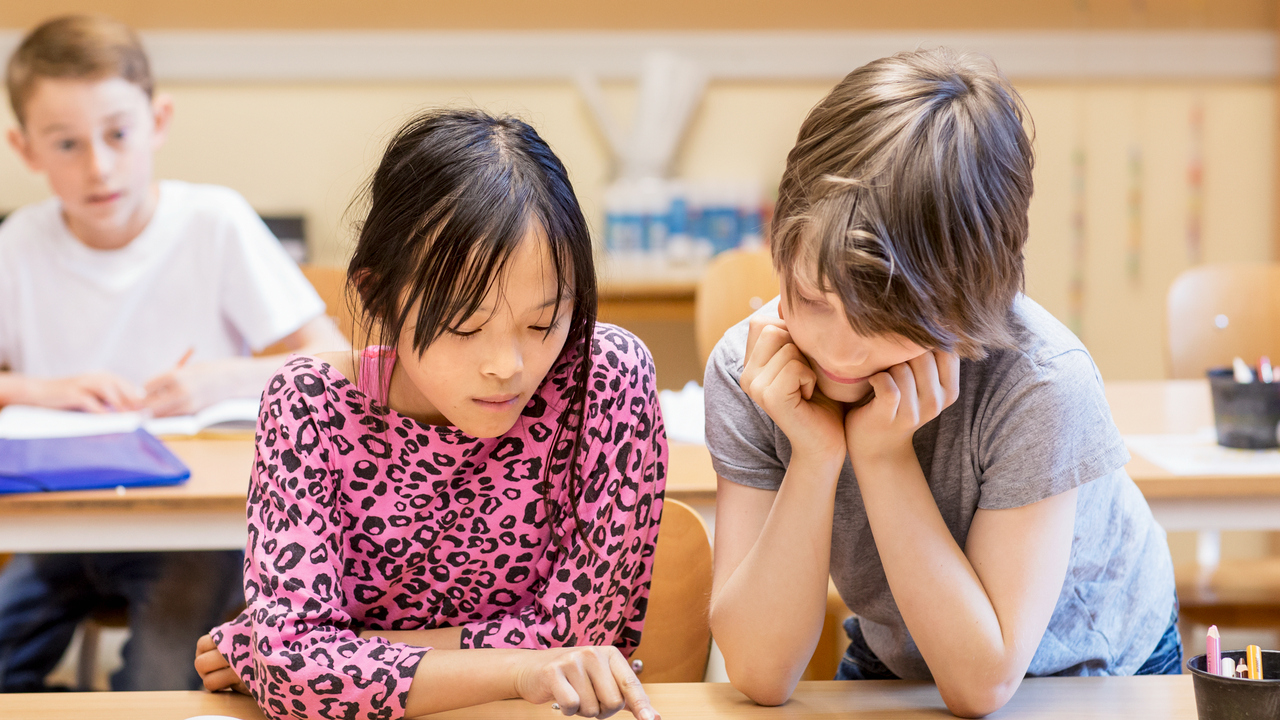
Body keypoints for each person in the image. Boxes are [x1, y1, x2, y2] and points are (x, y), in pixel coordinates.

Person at [706, 48, 1178, 717]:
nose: (837, 350)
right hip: (903, 650)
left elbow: (981, 686)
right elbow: (759, 673)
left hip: (1092, 667)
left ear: (969, 302)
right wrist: (814, 457)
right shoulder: (753, 367)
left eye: (885, 321)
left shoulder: (1041, 383)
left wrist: (882, 454)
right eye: (812, 299)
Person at [193, 109, 667, 720]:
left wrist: (326, 656)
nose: (507, 366)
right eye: (465, 328)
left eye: (543, 322)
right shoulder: (310, 403)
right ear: (377, 298)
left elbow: (580, 636)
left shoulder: (606, 378)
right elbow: (295, 668)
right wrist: (525, 667)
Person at [0, 15, 348, 691]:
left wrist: (219, 380)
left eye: (117, 134)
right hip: (60, 522)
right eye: (66, 143)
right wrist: (33, 388)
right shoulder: (18, 242)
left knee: (160, 686)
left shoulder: (213, 223)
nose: (97, 165)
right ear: (26, 148)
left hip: (190, 524)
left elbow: (335, 359)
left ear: (157, 121)